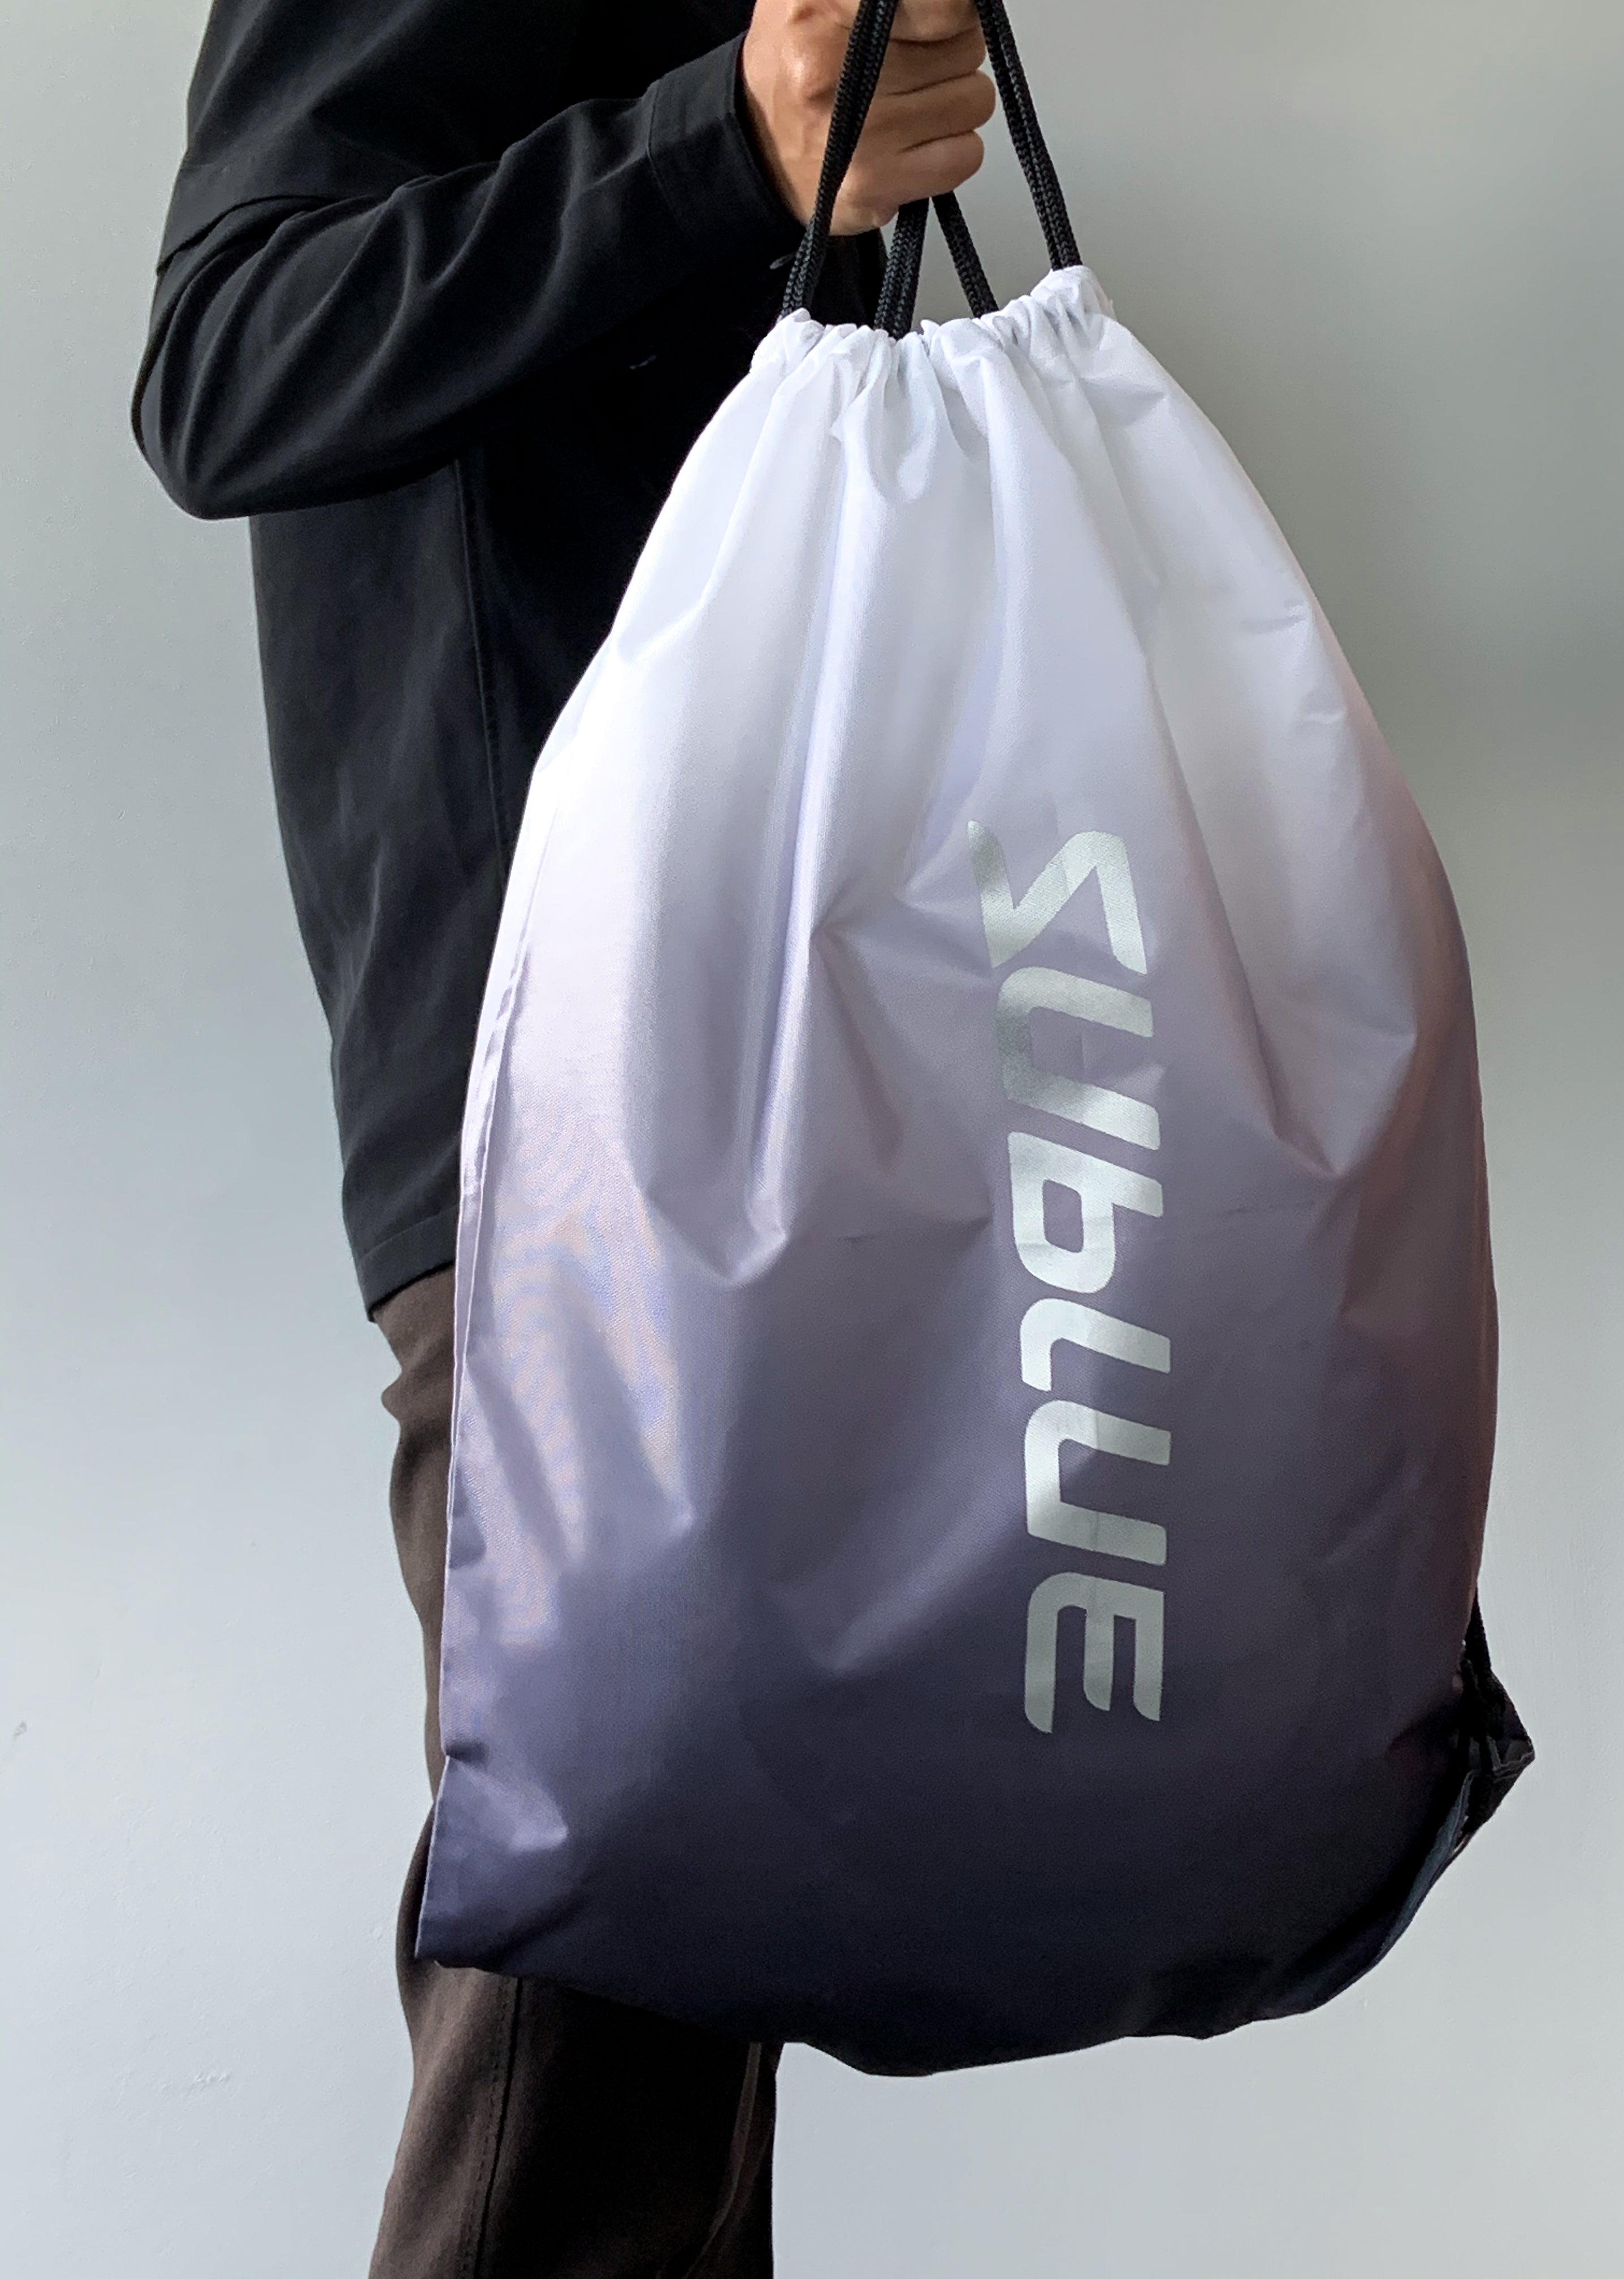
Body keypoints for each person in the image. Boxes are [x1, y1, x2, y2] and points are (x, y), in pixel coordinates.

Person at [132, 2, 995, 2271]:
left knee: (673, 2006)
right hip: (559, 1077)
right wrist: (722, 136)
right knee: (604, 1987)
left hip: (779, 1077)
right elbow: (221, 367)